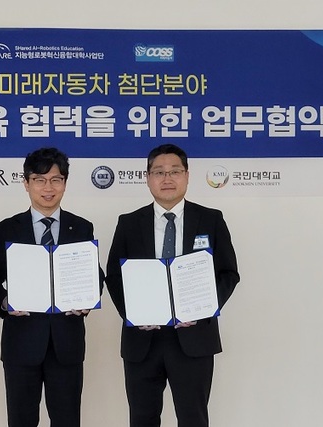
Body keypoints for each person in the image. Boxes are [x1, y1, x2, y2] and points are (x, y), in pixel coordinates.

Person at [105, 143, 240, 427]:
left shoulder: (211, 219)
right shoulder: (129, 223)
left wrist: (202, 309)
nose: (167, 178)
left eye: (175, 171)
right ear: (147, 178)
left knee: (193, 418)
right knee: (142, 418)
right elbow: (115, 276)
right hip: (142, 340)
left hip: (194, 338)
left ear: (187, 176)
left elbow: (228, 273)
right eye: (159, 172)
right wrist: (134, 314)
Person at [0, 147, 104, 427]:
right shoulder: (7, 229)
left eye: (55, 180)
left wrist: (88, 298)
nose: (48, 188)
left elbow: (94, 274)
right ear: (26, 183)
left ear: (65, 183)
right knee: (21, 420)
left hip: (66, 342)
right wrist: (3, 303)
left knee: (67, 420)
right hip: (21, 341)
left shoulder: (81, 227)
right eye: (39, 180)